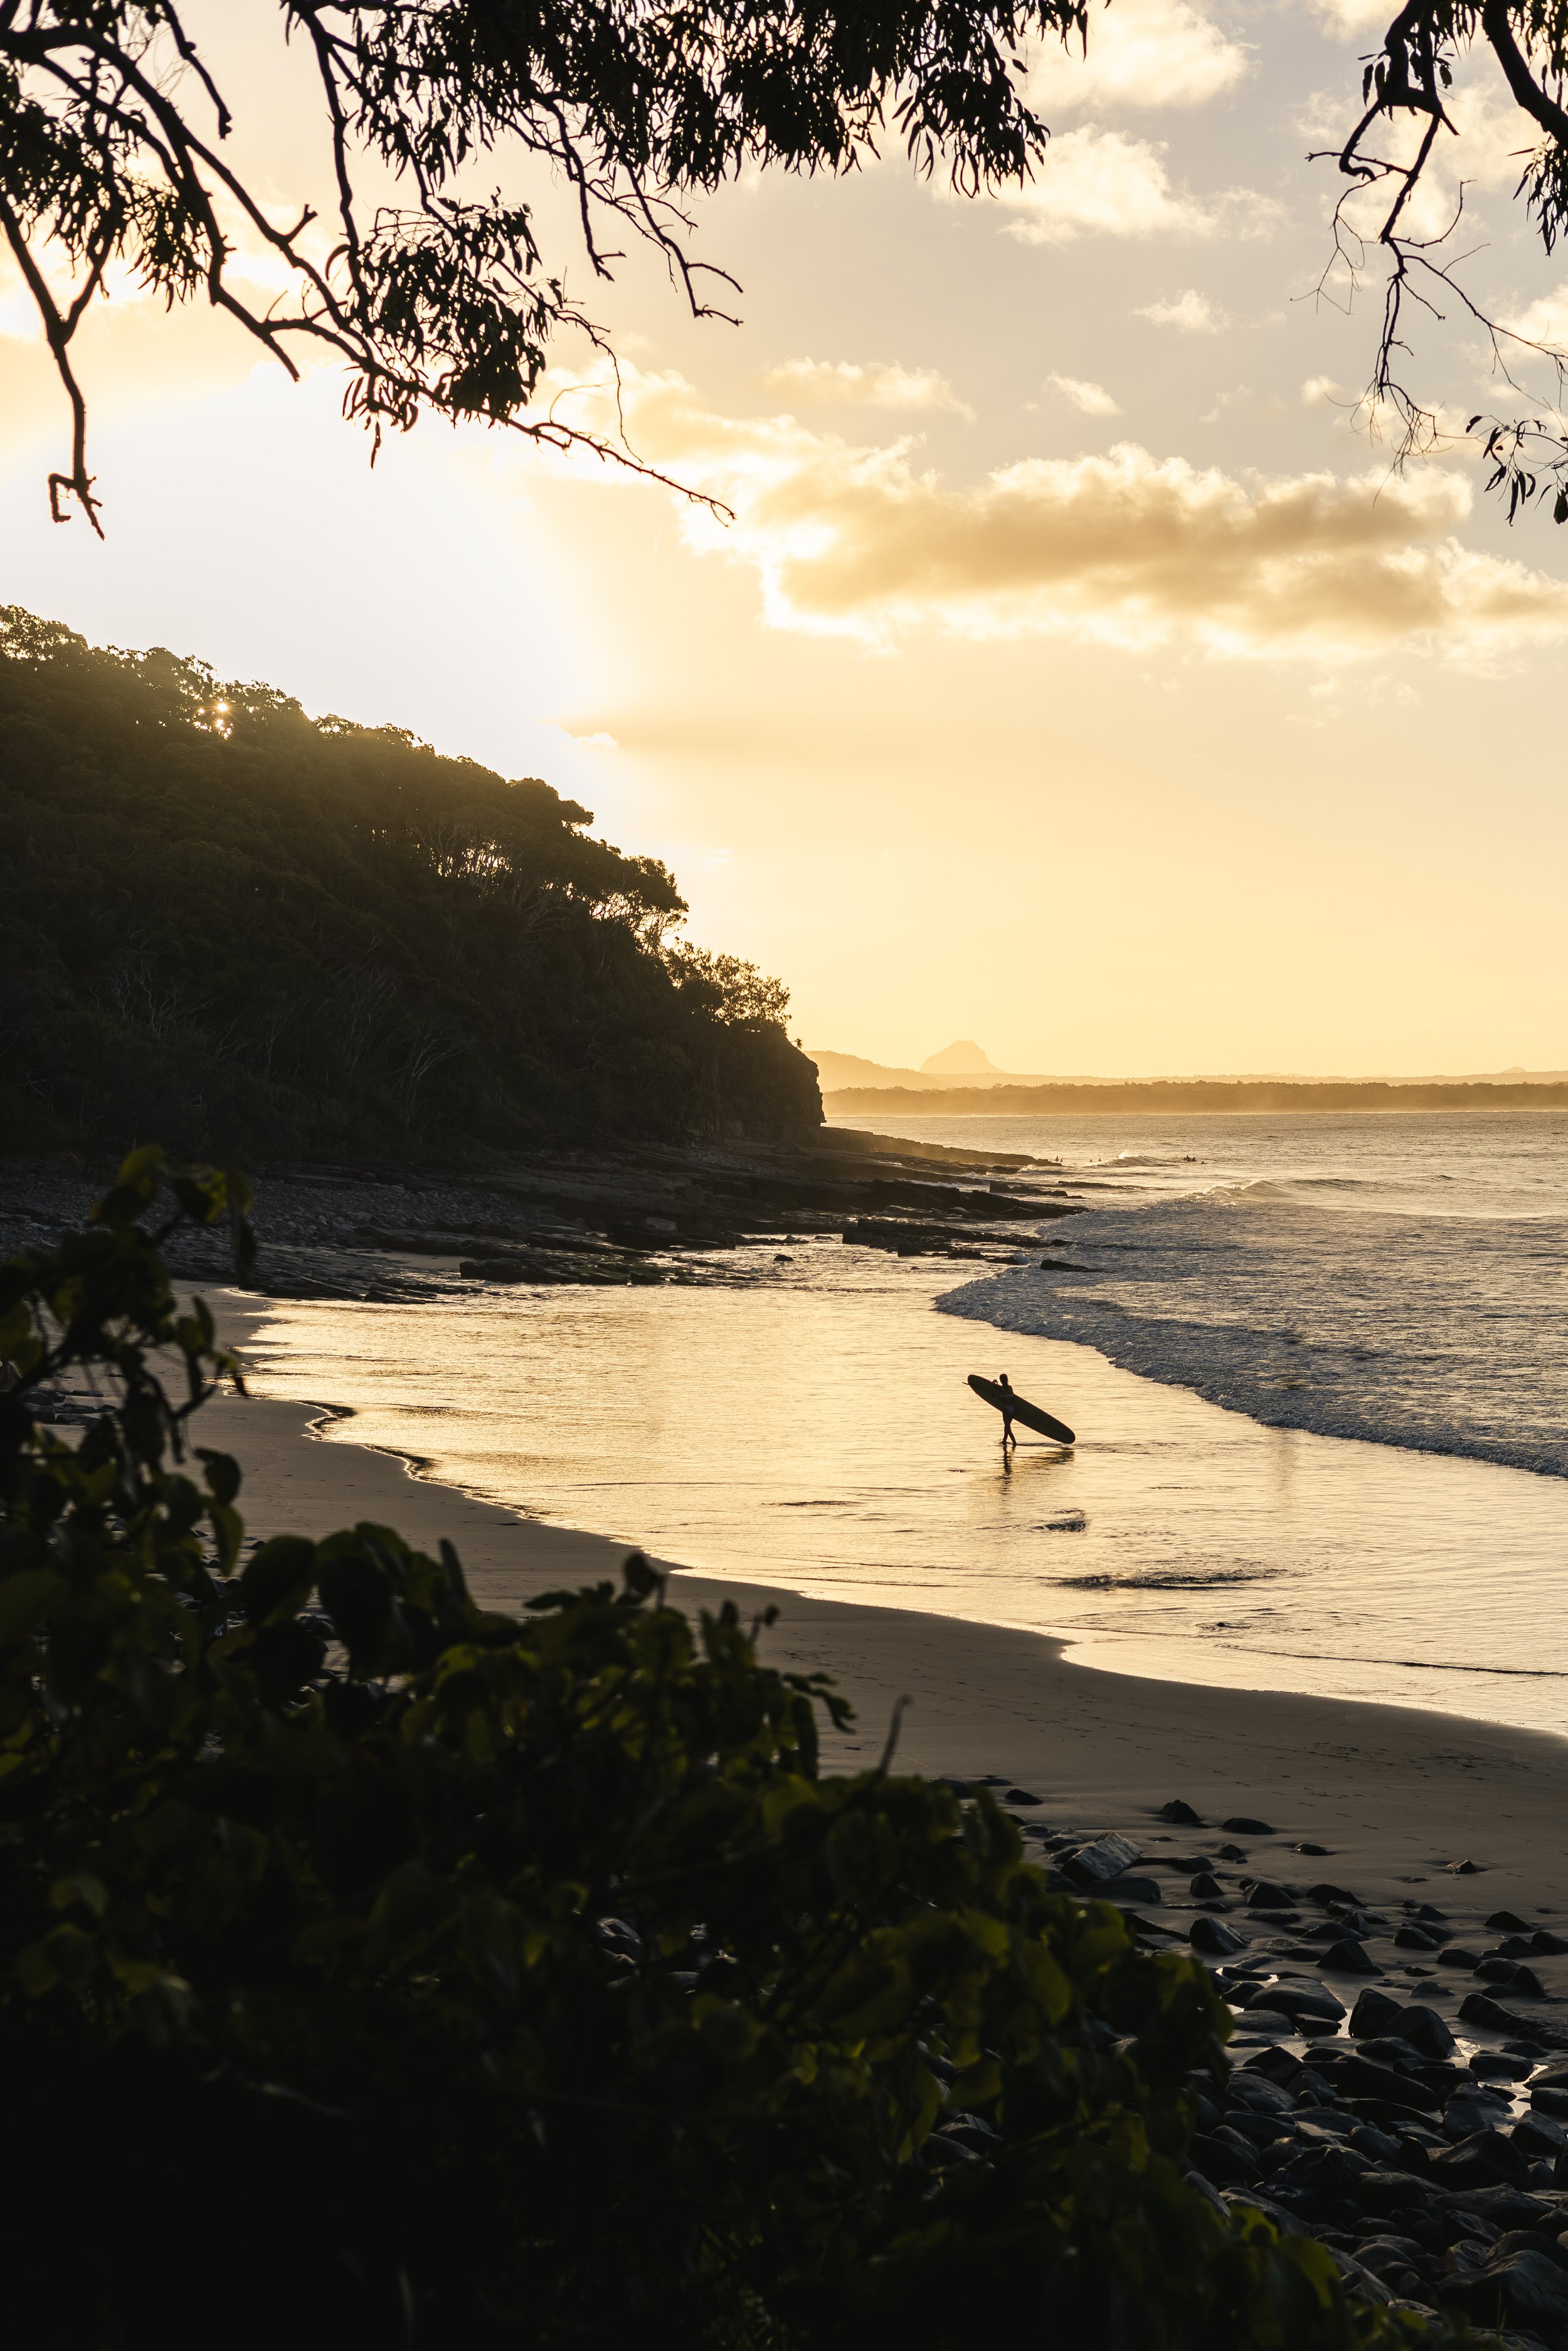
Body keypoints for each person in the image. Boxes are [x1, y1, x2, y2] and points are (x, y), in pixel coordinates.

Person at [997, 1371, 1016, 1448]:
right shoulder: (1010, 1387)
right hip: (1012, 1409)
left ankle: (1015, 1443)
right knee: (1006, 1427)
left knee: (1008, 1428)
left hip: (1006, 1409)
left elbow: (991, 1387)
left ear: (1001, 1380)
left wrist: (994, 1382)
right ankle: (1004, 1441)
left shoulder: (1001, 1389)